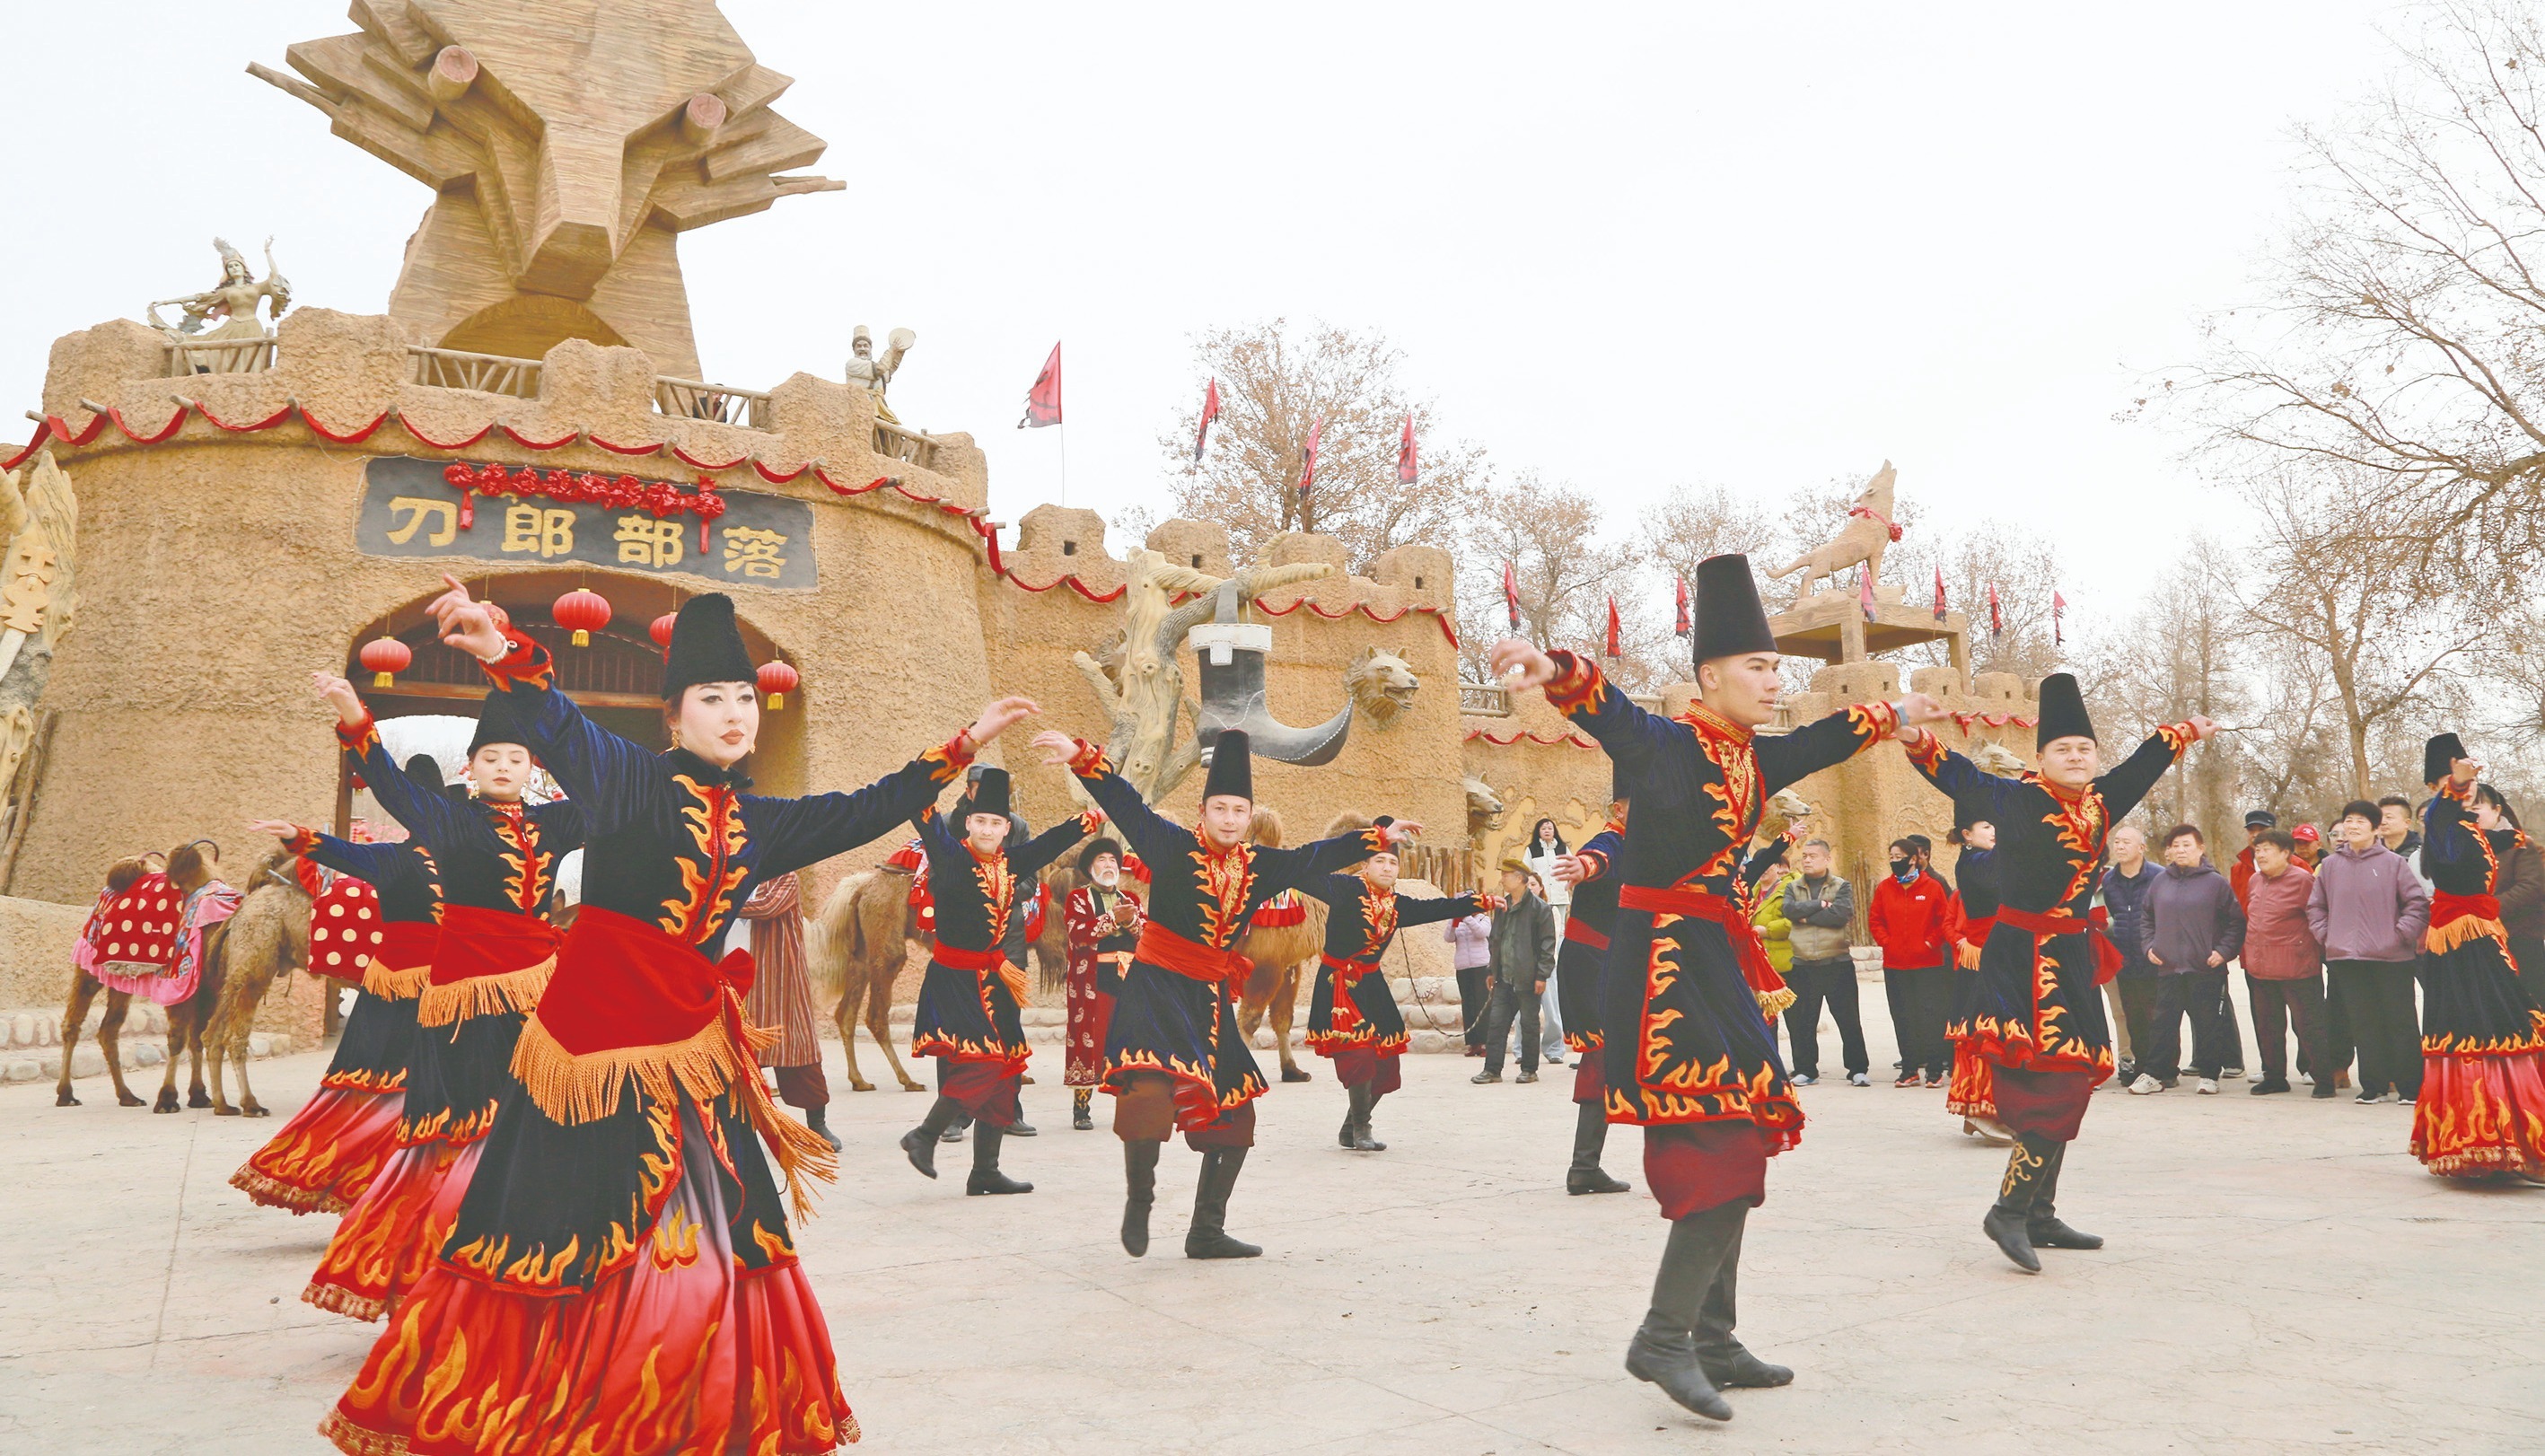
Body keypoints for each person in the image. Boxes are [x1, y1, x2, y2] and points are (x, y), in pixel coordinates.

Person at [321, 583, 1040, 1456]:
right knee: (566, 1230)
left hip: (697, 1049)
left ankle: (689, 1410)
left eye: (745, 698)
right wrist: (501, 649)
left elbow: (865, 806)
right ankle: (566, 1406)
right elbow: (559, 723)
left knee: (732, 1230)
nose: (735, 714)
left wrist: (964, 745)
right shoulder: (627, 780)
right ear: (673, 714)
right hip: (593, 1052)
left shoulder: (760, 821)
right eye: (712, 698)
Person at [1490, 552, 1944, 1421]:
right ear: (1710, 675)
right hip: (1663, 965)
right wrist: (1555, 668)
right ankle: (1664, 1335)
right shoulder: (1665, 745)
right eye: (1758, 666)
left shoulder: (1754, 759)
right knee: (1717, 1144)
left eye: (1777, 667)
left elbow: (1823, 738)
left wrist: (1893, 713)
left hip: (1716, 961)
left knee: (1746, 1131)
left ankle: (1715, 1337)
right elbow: (1609, 711)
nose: (1774, 681)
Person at [1031, 725, 1413, 1261]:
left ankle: (1206, 1231)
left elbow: (1313, 857)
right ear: (1204, 810)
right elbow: (1125, 803)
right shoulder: (1170, 844)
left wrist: (1375, 836)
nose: (1230, 819)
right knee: (1147, 1094)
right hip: (1156, 984)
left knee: (1237, 1115)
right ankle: (1140, 1199)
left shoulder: (1260, 865)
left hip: (1209, 998)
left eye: (1239, 810)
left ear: (1248, 815)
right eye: (1221, 809)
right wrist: (1081, 757)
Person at [1897, 673, 2211, 1275]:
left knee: (2073, 1076)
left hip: (2070, 954)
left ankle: (2038, 1214)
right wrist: (1914, 737)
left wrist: (2184, 733)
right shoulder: (2018, 799)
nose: (2075, 757)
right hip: (2020, 956)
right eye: (2062, 749)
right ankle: (2009, 1210)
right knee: (2051, 1085)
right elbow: (1958, 775)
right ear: (2040, 758)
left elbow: (2143, 765)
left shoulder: (2101, 800)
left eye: (2084, 749)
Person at [301, 686, 583, 1324]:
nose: (504, 766)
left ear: (533, 768)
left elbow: (615, 799)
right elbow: (391, 786)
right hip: (463, 1005)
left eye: (516, 757)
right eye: (491, 758)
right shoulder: (450, 820)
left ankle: (526, 1268)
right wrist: (355, 719)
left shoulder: (555, 824)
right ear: (470, 768)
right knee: (458, 1133)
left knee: (536, 1127)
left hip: (539, 995)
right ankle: (435, 1276)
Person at [232, 756, 444, 1215]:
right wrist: (298, 837)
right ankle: (360, 1188)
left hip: (451, 992)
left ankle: (420, 1196)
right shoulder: (392, 857)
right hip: (392, 994)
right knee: (371, 1095)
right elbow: (343, 853)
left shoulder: (470, 863)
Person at [899, 770, 1099, 1195]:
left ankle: (985, 1171)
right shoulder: (951, 856)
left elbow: (1050, 843)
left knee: (1006, 1070)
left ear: (1007, 828)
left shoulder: (1010, 863)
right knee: (984, 1062)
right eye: (981, 822)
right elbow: (924, 817)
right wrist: (934, 773)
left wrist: (1092, 818)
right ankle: (924, 1135)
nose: (987, 830)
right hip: (956, 979)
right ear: (968, 823)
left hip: (996, 978)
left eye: (996, 823)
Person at [1301, 822, 1481, 1150]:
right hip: (1339, 983)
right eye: (1380, 861)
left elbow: (1435, 908)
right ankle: (1362, 1129)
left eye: (1393, 862)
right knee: (1359, 1055)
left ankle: (1350, 1126)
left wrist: (1479, 903)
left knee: (1387, 1063)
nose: (1386, 868)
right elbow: (1305, 874)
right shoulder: (1343, 887)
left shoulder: (1397, 904)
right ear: (1365, 865)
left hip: (1372, 984)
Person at [2410, 750, 2545, 1181]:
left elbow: (2498, 844)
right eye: (2456, 784)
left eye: (2471, 787)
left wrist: (2509, 832)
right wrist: (2455, 785)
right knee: (2485, 1028)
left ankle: (2513, 1142)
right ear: (2438, 787)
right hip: (2462, 946)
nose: (2468, 792)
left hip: (2480, 937)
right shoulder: (2442, 826)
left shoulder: (2468, 829)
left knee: (2508, 1025)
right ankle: (2487, 1147)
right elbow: (2441, 820)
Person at [2307, 799, 2430, 1105]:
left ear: (2376, 829)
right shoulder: (2331, 866)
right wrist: (2327, 936)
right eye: (2349, 820)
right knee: (2363, 1023)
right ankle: (2373, 1086)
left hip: (2391, 958)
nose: (2353, 826)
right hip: (2347, 958)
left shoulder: (2393, 863)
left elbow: (2416, 905)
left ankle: (2410, 1087)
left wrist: (2398, 936)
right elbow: (2316, 907)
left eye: (2361, 821)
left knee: (2400, 1021)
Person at [1549, 778, 1633, 1193]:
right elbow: (1599, 857)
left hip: (1615, 965)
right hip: (1593, 966)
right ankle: (1583, 1167)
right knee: (1603, 1059)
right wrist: (1583, 867)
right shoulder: (1612, 840)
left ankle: (1585, 1167)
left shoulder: (1643, 845)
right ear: (1620, 809)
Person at [2128, 825, 2246, 1095]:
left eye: (2186, 845)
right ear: (2168, 851)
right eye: (2175, 846)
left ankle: (2209, 1075)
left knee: (2208, 1023)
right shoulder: (2160, 882)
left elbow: (2235, 922)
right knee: (2163, 1024)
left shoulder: (2215, 883)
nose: (2180, 851)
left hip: (2205, 967)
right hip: (2168, 967)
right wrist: (2149, 946)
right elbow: (2146, 918)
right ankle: (2154, 1074)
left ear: (2200, 849)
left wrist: (2223, 951)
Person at [735, 871, 835, 1149]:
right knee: (739, 1057)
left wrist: (722, 903)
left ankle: (817, 1124)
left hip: (779, 979)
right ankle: (742, 1131)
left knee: (799, 1049)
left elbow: (767, 907)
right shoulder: (736, 875)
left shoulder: (784, 876)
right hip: (736, 974)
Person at [2239, 829, 2330, 1098]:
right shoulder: (2255, 881)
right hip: (2261, 967)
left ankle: (2323, 1078)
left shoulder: (2302, 880)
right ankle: (2275, 1077)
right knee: (2268, 1027)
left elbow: (2317, 917)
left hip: (2297, 967)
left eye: (2267, 849)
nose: (2261, 855)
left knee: (2309, 1026)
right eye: (2258, 850)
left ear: (2286, 853)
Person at [1063, 837, 1143, 1130]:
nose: (1108, 866)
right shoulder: (1078, 898)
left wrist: (1131, 920)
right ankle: (1081, 1109)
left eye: (1112, 861)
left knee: (1129, 1040)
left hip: (1128, 980)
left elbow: (1146, 934)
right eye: (1101, 860)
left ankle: (1131, 1105)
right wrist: (1112, 918)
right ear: (1090, 867)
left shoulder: (1131, 898)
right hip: (1093, 980)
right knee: (1090, 1040)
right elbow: (1078, 934)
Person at [1781, 839, 1868, 1088]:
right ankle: (1806, 1070)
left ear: (1827, 859)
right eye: (1804, 856)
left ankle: (1857, 1070)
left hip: (1836, 961)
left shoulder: (1841, 885)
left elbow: (1840, 915)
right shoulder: (1792, 886)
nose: (1807, 860)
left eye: (1813, 856)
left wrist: (1805, 917)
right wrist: (1819, 905)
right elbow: (1789, 911)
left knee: (1848, 1019)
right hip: (1803, 963)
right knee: (1803, 1021)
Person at [1869, 836, 1954, 1088]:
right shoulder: (1885, 888)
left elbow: (1944, 920)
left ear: (1913, 859)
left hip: (1928, 965)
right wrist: (1888, 942)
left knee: (1931, 1016)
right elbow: (1876, 920)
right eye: (1892, 857)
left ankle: (1935, 1070)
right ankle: (1909, 1070)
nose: (1895, 861)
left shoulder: (1932, 887)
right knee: (1903, 1016)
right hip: (1896, 965)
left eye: (1900, 857)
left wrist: (1929, 943)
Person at [1944, 815, 2009, 1140]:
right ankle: (1982, 1110)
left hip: (1999, 955)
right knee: (1987, 1035)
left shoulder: (1982, 861)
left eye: (1994, 825)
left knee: (1997, 1034)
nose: (1994, 831)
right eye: (1986, 826)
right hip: (1987, 959)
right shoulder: (1975, 862)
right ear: (1967, 835)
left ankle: (1983, 1109)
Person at [1474, 859, 1557, 1084]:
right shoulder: (1503, 906)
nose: (1502, 879)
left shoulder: (1540, 908)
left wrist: (1542, 975)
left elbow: (1547, 945)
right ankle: (1492, 1070)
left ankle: (1529, 1070)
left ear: (1520, 878)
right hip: (1504, 978)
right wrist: (1492, 969)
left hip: (1528, 978)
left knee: (1529, 1025)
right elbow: (1495, 939)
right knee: (1496, 1024)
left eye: (1506, 875)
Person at [2100, 825, 2159, 1084]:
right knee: (2133, 1015)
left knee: (2158, 1015)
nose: (2120, 846)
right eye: (2117, 842)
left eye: (2126, 842)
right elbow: (2115, 914)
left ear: (2141, 848)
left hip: (2153, 956)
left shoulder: (2158, 876)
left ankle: (2164, 1068)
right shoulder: (2109, 880)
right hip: (2124, 957)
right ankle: (2140, 1066)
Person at [2488, 785, 2545, 971]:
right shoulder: (2463, 849)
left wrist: (2486, 909)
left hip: (2519, 933)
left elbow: (2531, 887)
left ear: (2497, 810)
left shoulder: (2521, 845)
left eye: (2476, 808)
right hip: (2479, 936)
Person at [1444, 904, 1494, 1056]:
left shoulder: (1484, 919)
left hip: (1481, 965)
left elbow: (1481, 933)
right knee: (1468, 1004)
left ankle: (1486, 1043)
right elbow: (1448, 938)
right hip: (1463, 966)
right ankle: (1473, 1043)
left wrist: (1467, 918)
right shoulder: (1458, 921)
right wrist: (1453, 922)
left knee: (1482, 1003)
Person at [2230, 810, 2276, 908]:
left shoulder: (2295, 864)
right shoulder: (2237, 870)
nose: (2255, 835)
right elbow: (2233, 906)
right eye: (2251, 830)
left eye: (2261, 829)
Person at [2378, 794, 2427, 884]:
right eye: (2380, 817)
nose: (2382, 822)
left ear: (2407, 823)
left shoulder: (2421, 852)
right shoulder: (2373, 850)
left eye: (2389, 817)